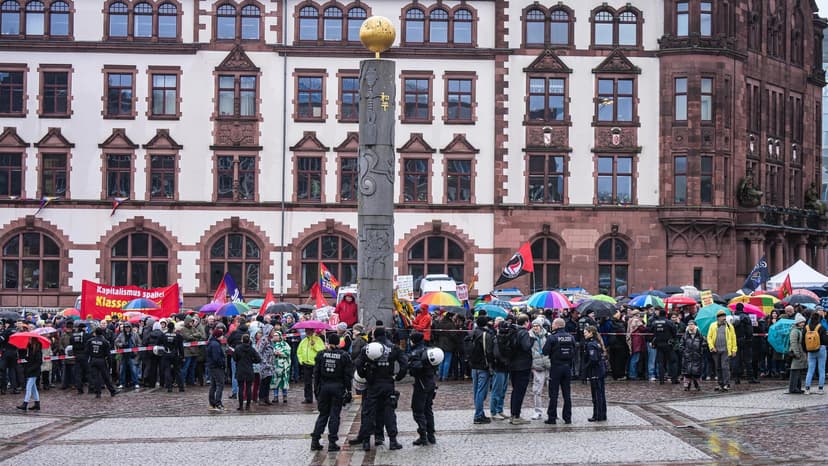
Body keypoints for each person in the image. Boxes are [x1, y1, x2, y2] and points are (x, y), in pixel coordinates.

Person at [350, 326, 408, 451]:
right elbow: (404, 364)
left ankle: (366, 441)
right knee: (389, 412)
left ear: (375, 336)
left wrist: (364, 375)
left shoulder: (369, 347)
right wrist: (398, 377)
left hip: (373, 384)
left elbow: (358, 363)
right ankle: (393, 441)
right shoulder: (393, 347)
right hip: (388, 383)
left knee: (368, 412)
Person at [311, 333, 353, 452]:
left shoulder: (321, 355)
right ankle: (332, 442)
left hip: (324, 387)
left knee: (323, 414)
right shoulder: (343, 356)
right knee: (335, 415)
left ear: (328, 342)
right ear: (338, 343)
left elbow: (317, 374)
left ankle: (315, 440)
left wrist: (316, 389)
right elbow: (347, 375)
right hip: (337, 387)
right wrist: (348, 390)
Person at [407, 331, 437, 446]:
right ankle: (431, 435)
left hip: (421, 384)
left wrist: (410, 365)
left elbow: (415, 369)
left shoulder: (416, 352)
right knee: (428, 409)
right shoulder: (429, 350)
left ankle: (423, 435)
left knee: (418, 410)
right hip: (431, 383)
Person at [543, 317, 574, 425]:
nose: (552, 326)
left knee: (553, 394)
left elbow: (545, 351)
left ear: (557, 325)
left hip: (556, 367)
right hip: (567, 367)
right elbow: (574, 350)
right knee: (567, 394)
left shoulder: (552, 337)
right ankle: (567, 417)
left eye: (553, 324)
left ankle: (552, 417)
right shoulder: (570, 337)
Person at [507, 315, 533, 425]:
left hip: (513, 365)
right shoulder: (524, 332)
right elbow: (526, 346)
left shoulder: (513, 331)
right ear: (526, 322)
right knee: (519, 391)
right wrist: (532, 340)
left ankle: (513, 414)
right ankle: (516, 416)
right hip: (522, 366)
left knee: (515, 391)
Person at [468, 316, 494, 424]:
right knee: (481, 392)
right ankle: (478, 415)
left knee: (476, 391)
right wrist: (491, 365)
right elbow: (489, 352)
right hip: (483, 366)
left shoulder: (471, 333)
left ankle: (480, 412)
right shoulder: (485, 335)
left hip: (473, 365)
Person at [706, 310, 737, 392]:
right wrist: (712, 347)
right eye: (721, 316)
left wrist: (734, 349)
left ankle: (726, 383)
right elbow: (709, 337)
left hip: (726, 350)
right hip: (716, 350)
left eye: (724, 316)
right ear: (718, 318)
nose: (723, 318)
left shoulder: (729, 326)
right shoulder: (713, 326)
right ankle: (720, 383)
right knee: (718, 367)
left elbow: (733, 338)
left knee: (725, 367)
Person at [85, 327, 120, 398]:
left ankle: (98, 393)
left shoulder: (90, 341)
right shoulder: (105, 342)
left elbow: (86, 352)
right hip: (101, 360)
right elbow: (108, 354)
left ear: (95, 333)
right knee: (106, 377)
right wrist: (110, 364)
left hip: (93, 360)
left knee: (96, 377)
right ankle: (112, 391)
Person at [583, 325, 607, 422]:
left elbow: (593, 359)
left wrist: (585, 368)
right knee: (601, 393)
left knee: (597, 394)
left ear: (590, 333)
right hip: (600, 370)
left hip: (595, 371)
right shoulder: (596, 343)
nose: (584, 334)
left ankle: (598, 415)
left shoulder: (591, 344)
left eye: (585, 332)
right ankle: (602, 414)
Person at [647, 309, 677, 384]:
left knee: (660, 363)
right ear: (666, 314)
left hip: (659, 344)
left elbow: (650, 331)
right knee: (673, 361)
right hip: (668, 344)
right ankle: (674, 379)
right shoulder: (669, 322)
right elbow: (674, 332)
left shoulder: (654, 322)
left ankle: (661, 380)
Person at [233, 333, 262, 411]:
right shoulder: (251, 349)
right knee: (249, 388)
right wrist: (252, 361)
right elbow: (258, 359)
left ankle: (241, 405)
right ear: (249, 340)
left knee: (241, 388)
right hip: (249, 369)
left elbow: (235, 358)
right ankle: (248, 405)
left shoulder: (238, 348)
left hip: (240, 369)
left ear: (242, 340)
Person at [529, 317, 549, 420]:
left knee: (552, 389)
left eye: (537, 326)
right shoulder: (529, 336)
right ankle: (538, 411)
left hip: (547, 364)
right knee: (537, 389)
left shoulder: (547, 335)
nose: (535, 327)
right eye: (534, 326)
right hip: (536, 365)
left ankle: (552, 410)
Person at [297, 329, 325, 404]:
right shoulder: (303, 341)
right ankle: (308, 398)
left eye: (309, 331)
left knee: (317, 382)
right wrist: (301, 360)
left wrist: (314, 345)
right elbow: (299, 352)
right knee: (307, 382)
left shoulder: (318, 339)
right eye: (306, 331)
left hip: (316, 364)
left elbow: (322, 350)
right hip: (306, 364)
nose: (307, 333)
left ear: (312, 331)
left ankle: (319, 397)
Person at [733, 303, 758, 384]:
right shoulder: (746, 317)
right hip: (745, 340)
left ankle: (737, 378)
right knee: (748, 359)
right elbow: (749, 330)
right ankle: (750, 378)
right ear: (743, 308)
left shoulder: (732, 317)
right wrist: (749, 338)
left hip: (735, 340)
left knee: (737, 359)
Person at [803, 312, 826, 395]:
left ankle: (807, 388)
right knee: (821, 369)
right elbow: (825, 340)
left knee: (810, 370)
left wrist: (806, 350)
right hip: (821, 349)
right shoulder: (822, 327)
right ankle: (820, 389)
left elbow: (803, 341)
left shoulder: (806, 328)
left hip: (810, 350)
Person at [17, 339, 43, 411]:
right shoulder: (31, 349)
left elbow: (39, 362)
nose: (28, 341)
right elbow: (31, 359)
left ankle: (25, 404)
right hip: (32, 371)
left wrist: (30, 369)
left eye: (30, 339)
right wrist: (25, 357)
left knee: (28, 387)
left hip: (34, 371)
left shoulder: (37, 350)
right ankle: (37, 404)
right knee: (33, 389)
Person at [114, 322, 141, 390]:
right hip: (123, 355)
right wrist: (122, 345)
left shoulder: (135, 335)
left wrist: (136, 351)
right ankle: (122, 383)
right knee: (122, 370)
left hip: (132, 355)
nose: (127, 329)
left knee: (133, 370)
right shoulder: (121, 335)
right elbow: (116, 342)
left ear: (130, 328)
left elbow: (139, 343)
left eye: (128, 327)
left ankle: (136, 383)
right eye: (126, 327)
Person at [680, 320, 704, 391]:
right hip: (687, 356)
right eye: (689, 324)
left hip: (697, 356)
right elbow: (681, 345)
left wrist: (700, 351)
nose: (690, 326)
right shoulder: (685, 335)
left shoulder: (699, 335)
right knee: (687, 372)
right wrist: (684, 352)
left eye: (692, 324)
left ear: (695, 326)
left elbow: (703, 344)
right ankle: (687, 385)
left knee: (696, 372)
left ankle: (697, 384)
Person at [161, 321, 185, 393]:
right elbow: (181, 347)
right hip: (175, 354)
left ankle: (169, 387)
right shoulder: (178, 336)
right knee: (177, 371)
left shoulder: (164, 335)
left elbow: (160, 344)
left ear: (167, 327)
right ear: (174, 327)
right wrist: (182, 356)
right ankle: (181, 387)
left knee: (167, 371)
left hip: (166, 354)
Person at [206, 329, 227, 411]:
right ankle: (218, 403)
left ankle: (212, 403)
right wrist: (222, 364)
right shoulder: (215, 345)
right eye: (221, 335)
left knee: (213, 385)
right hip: (217, 367)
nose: (222, 336)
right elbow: (216, 358)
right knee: (220, 385)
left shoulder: (212, 342)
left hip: (212, 366)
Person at [432, 312, 456, 381]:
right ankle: (444, 376)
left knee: (441, 360)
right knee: (447, 360)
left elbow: (436, 333)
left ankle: (440, 376)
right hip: (449, 344)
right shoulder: (451, 324)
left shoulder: (440, 323)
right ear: (451, 317)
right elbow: (453, 335)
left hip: (440, 343)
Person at [256, 325, 276, 405]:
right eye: (272, 331)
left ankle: (266, 398)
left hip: (270, 365)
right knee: (263, 382)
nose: (273, 333)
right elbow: (258, 352)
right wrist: (264, 362)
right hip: (265, 365)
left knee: (268, 382)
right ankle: (261, 398)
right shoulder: (264, 340)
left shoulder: (270, 340)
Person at [788, 313, 808, 394]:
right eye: (801, 322)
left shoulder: (799, 330)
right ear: (797, 322)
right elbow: (793, 343)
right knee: (795, 370)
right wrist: (797, 354)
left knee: (798, 371)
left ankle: (797, 387)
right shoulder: (795, 331)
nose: (803, 323)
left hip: (800, 353)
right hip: (797, 354)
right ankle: (793, 388)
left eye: (803, 322)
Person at [70, 323, 91, 394]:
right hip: (84, 355)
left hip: (76, 355)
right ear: (83, 328)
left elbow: (71, 344)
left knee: (78, 373)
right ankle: (91, 388)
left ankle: (79, 389)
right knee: (88, 372)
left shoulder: (73, 335)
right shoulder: (86, 335)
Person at [272, 331, 291, 403]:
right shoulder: (272, 344)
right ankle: (275, 396)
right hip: (275, 365)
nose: (275, 337)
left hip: (284, 365)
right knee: (275, 381)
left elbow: (288, 353)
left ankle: (285, 396)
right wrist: (273, 353)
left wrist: (281, 354)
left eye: (277, 335)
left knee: (284, 380)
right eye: (274, 335)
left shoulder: (285, 344)